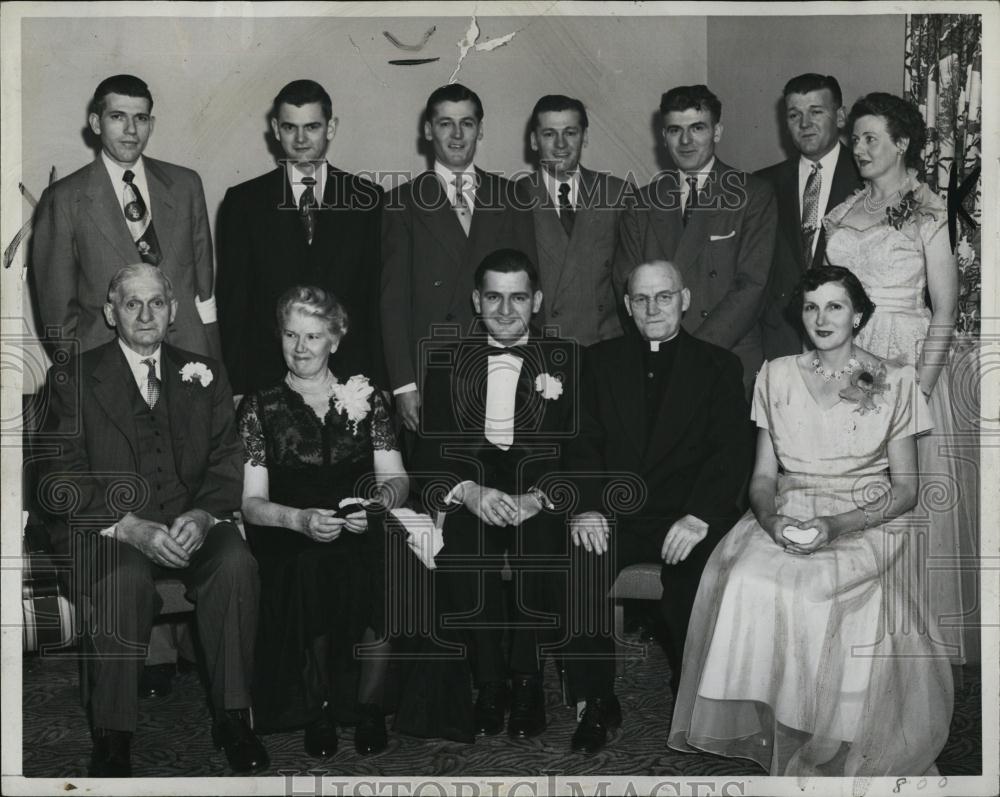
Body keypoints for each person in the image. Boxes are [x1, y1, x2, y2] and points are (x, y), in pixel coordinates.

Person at [668, 266, 954, 776]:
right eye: (811, 306)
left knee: (820, 586)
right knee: (747, 578)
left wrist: (839, 525)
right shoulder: (774, 374)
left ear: (859, 315)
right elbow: (761, 477)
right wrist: (771, 521)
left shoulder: (896, 379)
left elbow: (907, 490)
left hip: (865, 515)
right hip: (788, 508)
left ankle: (837, 730)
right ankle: (785, 721)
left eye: (835, 306)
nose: (821, 318)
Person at [40, 264, 267, 777]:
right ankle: (113, 735)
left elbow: (229, 458)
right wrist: (127, 525)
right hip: (106, 529)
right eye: (132, 303)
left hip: (188, 520)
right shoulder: (71, 378)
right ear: (110, 312)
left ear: (174, 311)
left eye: (157, 303)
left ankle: (233, 718)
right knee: (125, 577)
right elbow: (60, 477)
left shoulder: (204, 373)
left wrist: (204, 513)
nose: (145, 315)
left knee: (235, 562)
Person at [563, 260, 753, 754]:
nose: (653, 308)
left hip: (688, 515)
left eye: (664, 297)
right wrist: (585, 506)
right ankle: (596, 700)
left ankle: (692, 698)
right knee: (578, 566)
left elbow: (730, 452)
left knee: (696, 579)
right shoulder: (596, 361)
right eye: (641, 299)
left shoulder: (719, 366)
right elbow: (581, 443)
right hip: (614, 514)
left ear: (685, 299)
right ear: (627, 306)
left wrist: (700, 515)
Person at [823, 92, 970, 664]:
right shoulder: (842, 212)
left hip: (908, 361)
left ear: (902, 143)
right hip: (849, 357)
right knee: (852, 488)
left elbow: (944, 310)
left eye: (870, 138)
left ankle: (911, 647)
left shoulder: (929, 214)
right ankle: (856, 635)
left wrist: (918, 390)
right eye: (854, 138)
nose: (857, 148)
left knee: (905, 497)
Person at [406, 249, 576, 741]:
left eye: (518, 297)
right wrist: (470, 491)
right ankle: (490, 681)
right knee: (463, 544)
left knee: (541, 544)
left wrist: (538, 497)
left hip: (537, 497)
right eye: (494, 298)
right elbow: (429, 451)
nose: (506, 311)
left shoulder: (569, 360)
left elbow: (581, 450)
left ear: (537, 301)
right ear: (476, 301)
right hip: (475, 491)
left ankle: (526, 679)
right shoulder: (445, 362)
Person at [237, 285, 409, 757]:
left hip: (359, 519)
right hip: (290, 529)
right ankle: (319, 708)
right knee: (311, 568)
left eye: (313, 336)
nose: (300, 347)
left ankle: (370, 707)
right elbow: (252, 504)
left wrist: (375, 504)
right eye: (291, 334)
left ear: (336, 338)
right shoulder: (260, 406)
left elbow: (396, 479)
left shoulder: (367, 397)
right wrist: (298, 520)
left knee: (384, 558)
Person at [381, 83, 535, 432]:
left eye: (466, 123)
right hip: (430, 370)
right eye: (445, 123)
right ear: (427, 130)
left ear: (480, 130)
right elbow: (392, 303)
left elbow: (529, 287)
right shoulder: (401, 203)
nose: (456, 134)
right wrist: (404, 384)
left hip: (502, 362)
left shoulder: (512, 195)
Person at [218, 80, 385, 399]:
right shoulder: (243, 202)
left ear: (330, 127)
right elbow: (233, 302)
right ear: (275, 129)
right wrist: (237, 386)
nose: (301, 139)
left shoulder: (367, 198)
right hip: (267, 379)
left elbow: (375, 299)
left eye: (312, 126)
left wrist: (381, 382)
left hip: (350, 379)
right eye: (290, 127)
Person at [32, 74, 219, 360]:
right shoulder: (64, 198)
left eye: (141, 118)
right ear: (96, 123)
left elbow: (205, 292)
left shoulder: (186, 185)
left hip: (186, 358)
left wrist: (211, 360)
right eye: (118, 117)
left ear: (151, 124)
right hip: (106, 367)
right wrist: (85, 373)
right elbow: (57, 312)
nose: (131, 130)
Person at [614, 85, 776, 395]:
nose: (685, 141)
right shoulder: (642, 202)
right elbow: (626, 281)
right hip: (657, 361)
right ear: (663, 137)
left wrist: (690, 354)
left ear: (717, 132)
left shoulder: (753, 194)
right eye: (675, 130)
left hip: (728, 358)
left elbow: (752, 285)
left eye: (697, 128)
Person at [757, 73, 862, 359]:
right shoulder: (761, 185)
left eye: (816, 112)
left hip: (851, 344)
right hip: (780, 343)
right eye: (794, 115)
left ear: (840, 117)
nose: (804, 124)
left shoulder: (868, 180)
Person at [516, 94, 627, 346]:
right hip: (543, 348)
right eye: (549, 134)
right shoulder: (513, 199)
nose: (560, 145)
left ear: (584, 137)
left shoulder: (618, 194)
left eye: (570, 132)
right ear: (534, 141)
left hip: (606, 347)